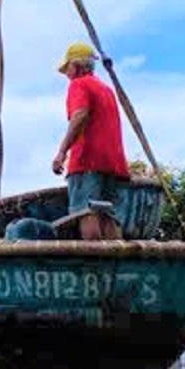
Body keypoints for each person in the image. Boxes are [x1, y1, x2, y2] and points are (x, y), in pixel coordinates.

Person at [51, 42, 129, 240]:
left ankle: (95, 264)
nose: (67, 74)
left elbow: (80, 116)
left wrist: (62, 152)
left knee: (86, 213)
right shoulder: (106, 90)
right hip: (115, 163)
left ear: (76, 66)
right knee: (110, 216)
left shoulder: (79, 84)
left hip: (88, 160)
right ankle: (115, 264)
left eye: (68, 67)